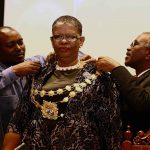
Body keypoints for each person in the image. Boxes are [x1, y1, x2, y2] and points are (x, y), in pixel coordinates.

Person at [2, 15, 122, 150]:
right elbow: (18, 121)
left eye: (71, 37)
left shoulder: (98, 76)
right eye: (58, 37)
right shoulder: (38, 75)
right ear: (52, 41)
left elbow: (111, 127)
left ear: (81, 41)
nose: (64, 41)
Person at [0, 26, 47, 148]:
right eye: (11, 45)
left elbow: (67, 54)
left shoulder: (33, 63)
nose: (19, 48)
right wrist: (14, 72)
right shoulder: (9, 72)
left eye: (20, 42)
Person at [96, 32, 150, 136]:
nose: (128, 48)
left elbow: (143, 103)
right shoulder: (134, 80)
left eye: (134, 44)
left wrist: (116, 68)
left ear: (148, 54)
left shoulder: (128, 79)